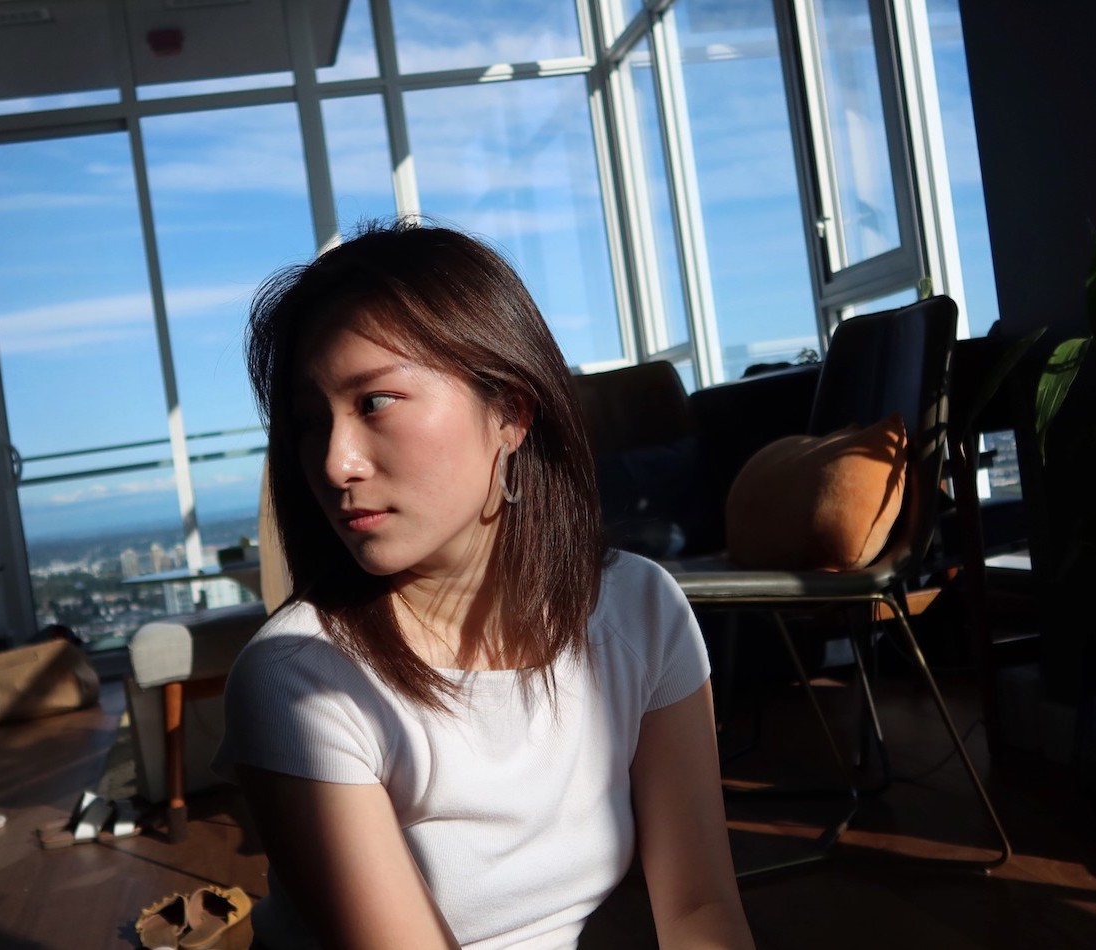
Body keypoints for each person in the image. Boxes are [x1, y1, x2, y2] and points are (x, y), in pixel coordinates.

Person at [213, 221, 752, 950]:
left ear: (510, 411)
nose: (335, 462)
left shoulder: (639, 610)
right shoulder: (302, 680)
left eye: (374, 402)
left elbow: (698, 912)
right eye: (311, 422)